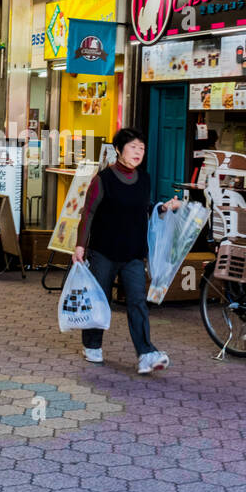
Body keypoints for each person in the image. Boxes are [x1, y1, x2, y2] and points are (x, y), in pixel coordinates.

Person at [72, 127, 180, 375]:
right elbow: (88, 213)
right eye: (133, 147)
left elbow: (145, 208)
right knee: (100, 300)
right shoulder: (103, 180)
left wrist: (163, 208)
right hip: (104, 250)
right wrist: (80, 245)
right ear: (119, 150)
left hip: (133, 252)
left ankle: (146, 353)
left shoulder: (145, 179)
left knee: (137, 302)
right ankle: (92, 345)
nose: (138, 152)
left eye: (141, 148)